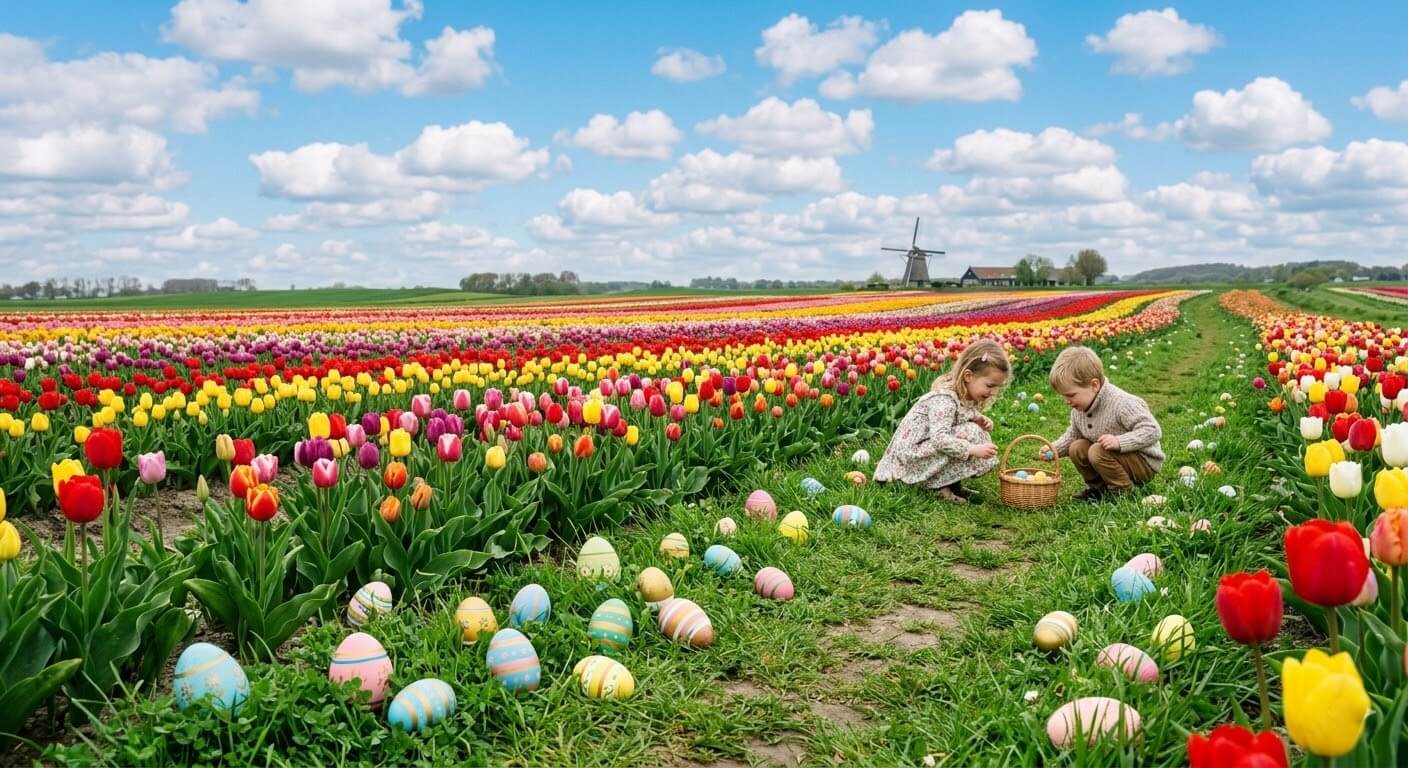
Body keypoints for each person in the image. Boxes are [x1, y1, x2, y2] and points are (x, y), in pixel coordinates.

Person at [874, 339, 1010, 504]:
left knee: (973, 429)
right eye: (990, 385)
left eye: (997, 387)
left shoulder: (962, 395)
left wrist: (978, 418)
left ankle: (950, 483)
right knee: (970, 433)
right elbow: (940, 439)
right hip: (909, 457)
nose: (993, 392)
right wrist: (972, 449)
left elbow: (960, 413)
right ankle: (934, 486)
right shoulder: (944, 399)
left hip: (923, 450)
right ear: (968, 376)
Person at [1041, 346, 1163, 499]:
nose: (1067, 401)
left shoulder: (1123, 404)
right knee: (1076, 448)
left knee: (1097, 451)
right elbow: (1073, 435)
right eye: (1063, 396)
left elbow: (1152, 430)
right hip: (1112, 458)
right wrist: (1054, 449)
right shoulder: (1080, 409)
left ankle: (1123, 492)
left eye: (1071, 395)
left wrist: (1119, 442)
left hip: (1142, 462)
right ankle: (1099, 489)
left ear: (1094, 385)